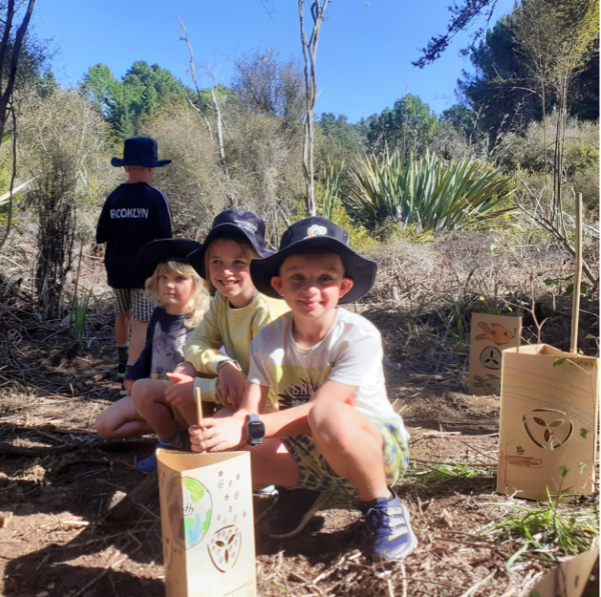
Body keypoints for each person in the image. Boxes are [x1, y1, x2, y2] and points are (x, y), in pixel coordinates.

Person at [188, 217, 416, 563]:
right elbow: (251, 410)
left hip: (375, 450)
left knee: (327, 415)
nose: (310, 289)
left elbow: (319, 411)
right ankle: (301, 489)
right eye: (297, 278)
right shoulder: (268, 338)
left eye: (325, 279)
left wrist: (246, 426)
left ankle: (381, 502)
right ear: (279, 285)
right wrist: (220, 430)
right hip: (306, 446)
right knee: (227, 446)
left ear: (343, 287)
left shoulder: (358, 335)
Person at [95, 238, 209, 471]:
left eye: (179, 279)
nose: (169, 285)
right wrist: (134, 375)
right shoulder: (159, 312)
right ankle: (173, 435)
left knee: (144, 390)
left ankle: (170, 446)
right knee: (106, 426)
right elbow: (151, 347)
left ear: (197, 281)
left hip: (190, 399)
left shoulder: (206, 317)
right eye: (163, 278)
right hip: (156, 394)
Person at [165, 209, 289, 422]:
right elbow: (196, 343)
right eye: (217, 262)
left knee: (219, 417)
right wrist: (222, 364)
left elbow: (271, 389)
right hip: (244, 388)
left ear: (257, 264)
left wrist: (202, 389)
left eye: (238, 262)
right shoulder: (222, 300)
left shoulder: (267, 310)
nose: (225, 272)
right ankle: (198, 435)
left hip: (275, 403)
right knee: (184, 370)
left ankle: (214, 435)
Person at [96, 137, 173, 383]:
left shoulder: (114, 197)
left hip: (116, 267)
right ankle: (131, 376)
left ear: (125, 168)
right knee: (141, 322)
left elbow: (101, 235)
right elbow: (166, 238)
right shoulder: (155, 197)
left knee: (123, 315)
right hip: (144, 271)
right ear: (151, 168)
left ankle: (121, 364)